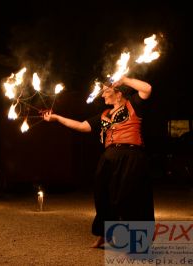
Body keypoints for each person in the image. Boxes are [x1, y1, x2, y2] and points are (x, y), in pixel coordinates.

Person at [43, 76, 154, 248]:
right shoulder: (103, 115)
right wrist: (57, 118)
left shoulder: (133, 104)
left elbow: (147, 88)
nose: (102, 95)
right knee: (102, 196)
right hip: (109, 157)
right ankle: (104, 234)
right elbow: (81, 126)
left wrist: (124, 79)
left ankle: (137, 240)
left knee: (129, 196)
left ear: (118, 94)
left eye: (106, 91)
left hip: (131, 156)